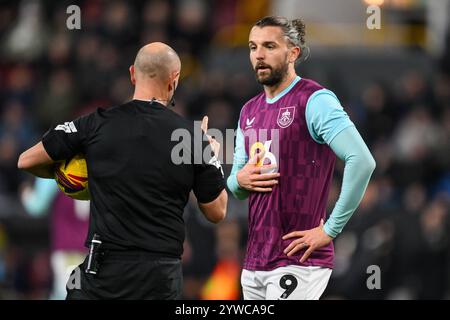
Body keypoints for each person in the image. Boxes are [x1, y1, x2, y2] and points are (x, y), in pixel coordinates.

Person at [17, 42, 228, 299]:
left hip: (104, 273)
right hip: (159, 276)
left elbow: (26, 161)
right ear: (174, 80)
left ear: (132, 74)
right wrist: (211, 157)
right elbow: (217, 211)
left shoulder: (94, 124)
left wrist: (75, 177)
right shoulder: (192, 137)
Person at [227, 16, 376, 300]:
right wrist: (239, 179)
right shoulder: (248, 110)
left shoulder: (314, 100)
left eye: (269, 46)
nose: (258, 54)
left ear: (293, 52)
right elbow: (236, 186)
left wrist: (331, 229)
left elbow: (362, 160)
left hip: (299, 259)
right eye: (252, 46)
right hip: (256, 260)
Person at [20, 177, 89, 300]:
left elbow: (36, 207)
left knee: (68, 295)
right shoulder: (100, 165)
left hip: (69, 250)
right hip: (96, 250)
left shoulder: (55, 171)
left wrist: (25, 192)